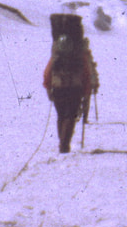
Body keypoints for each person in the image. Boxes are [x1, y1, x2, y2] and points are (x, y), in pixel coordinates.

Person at [42, 20, 98, 154]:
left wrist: (48, 88)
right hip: (75, 89)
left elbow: (47, 73)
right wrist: (87, 91)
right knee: (70, 116)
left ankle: (62, 143)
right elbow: (85, 75)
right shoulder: (80, 57)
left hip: (58, 89)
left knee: (61, 116)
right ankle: (64, 144)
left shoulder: (55, 57)